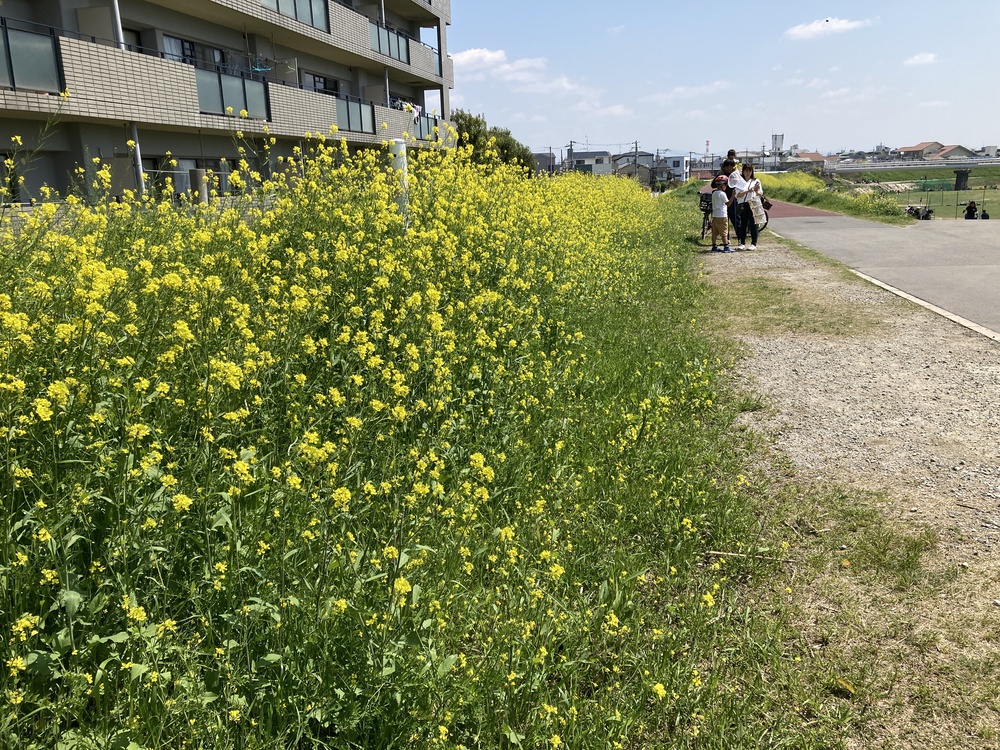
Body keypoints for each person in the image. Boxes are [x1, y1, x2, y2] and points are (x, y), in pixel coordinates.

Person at [734, 163, 764, 250]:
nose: (748, 173)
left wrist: (756, 191)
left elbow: (760, 194)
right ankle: (742, 242)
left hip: (753, 203)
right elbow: (737, 195)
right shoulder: (739, 182)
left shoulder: (756, 181)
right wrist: (748, 191)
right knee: (743, 224)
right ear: (742, 171)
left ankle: (754, 243)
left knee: (754, 224)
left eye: (750, 171)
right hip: (743, 204)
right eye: (746, 171)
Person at [721, 159, 747, 245]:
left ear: (733, 167)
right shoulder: (721, 175)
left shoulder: (736, 175)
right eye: (727, 166)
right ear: (724, 167)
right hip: (723, 201)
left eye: (730, 166)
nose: (728, 168)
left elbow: (742, 185)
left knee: (736, 220)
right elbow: (713, 184)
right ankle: (726, 240)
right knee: (725, 221)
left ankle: (740, 239)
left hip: (734, 201)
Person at [710, 175, 733, 252]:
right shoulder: (722, 194)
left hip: (715, 215)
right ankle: (726, 246)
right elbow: (728, 204)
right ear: (723, 185)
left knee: (714, 232)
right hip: (722, 215)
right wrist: (733, 195)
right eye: (725, 184)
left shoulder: (714, 193)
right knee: (724, 232)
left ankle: (714, 246)